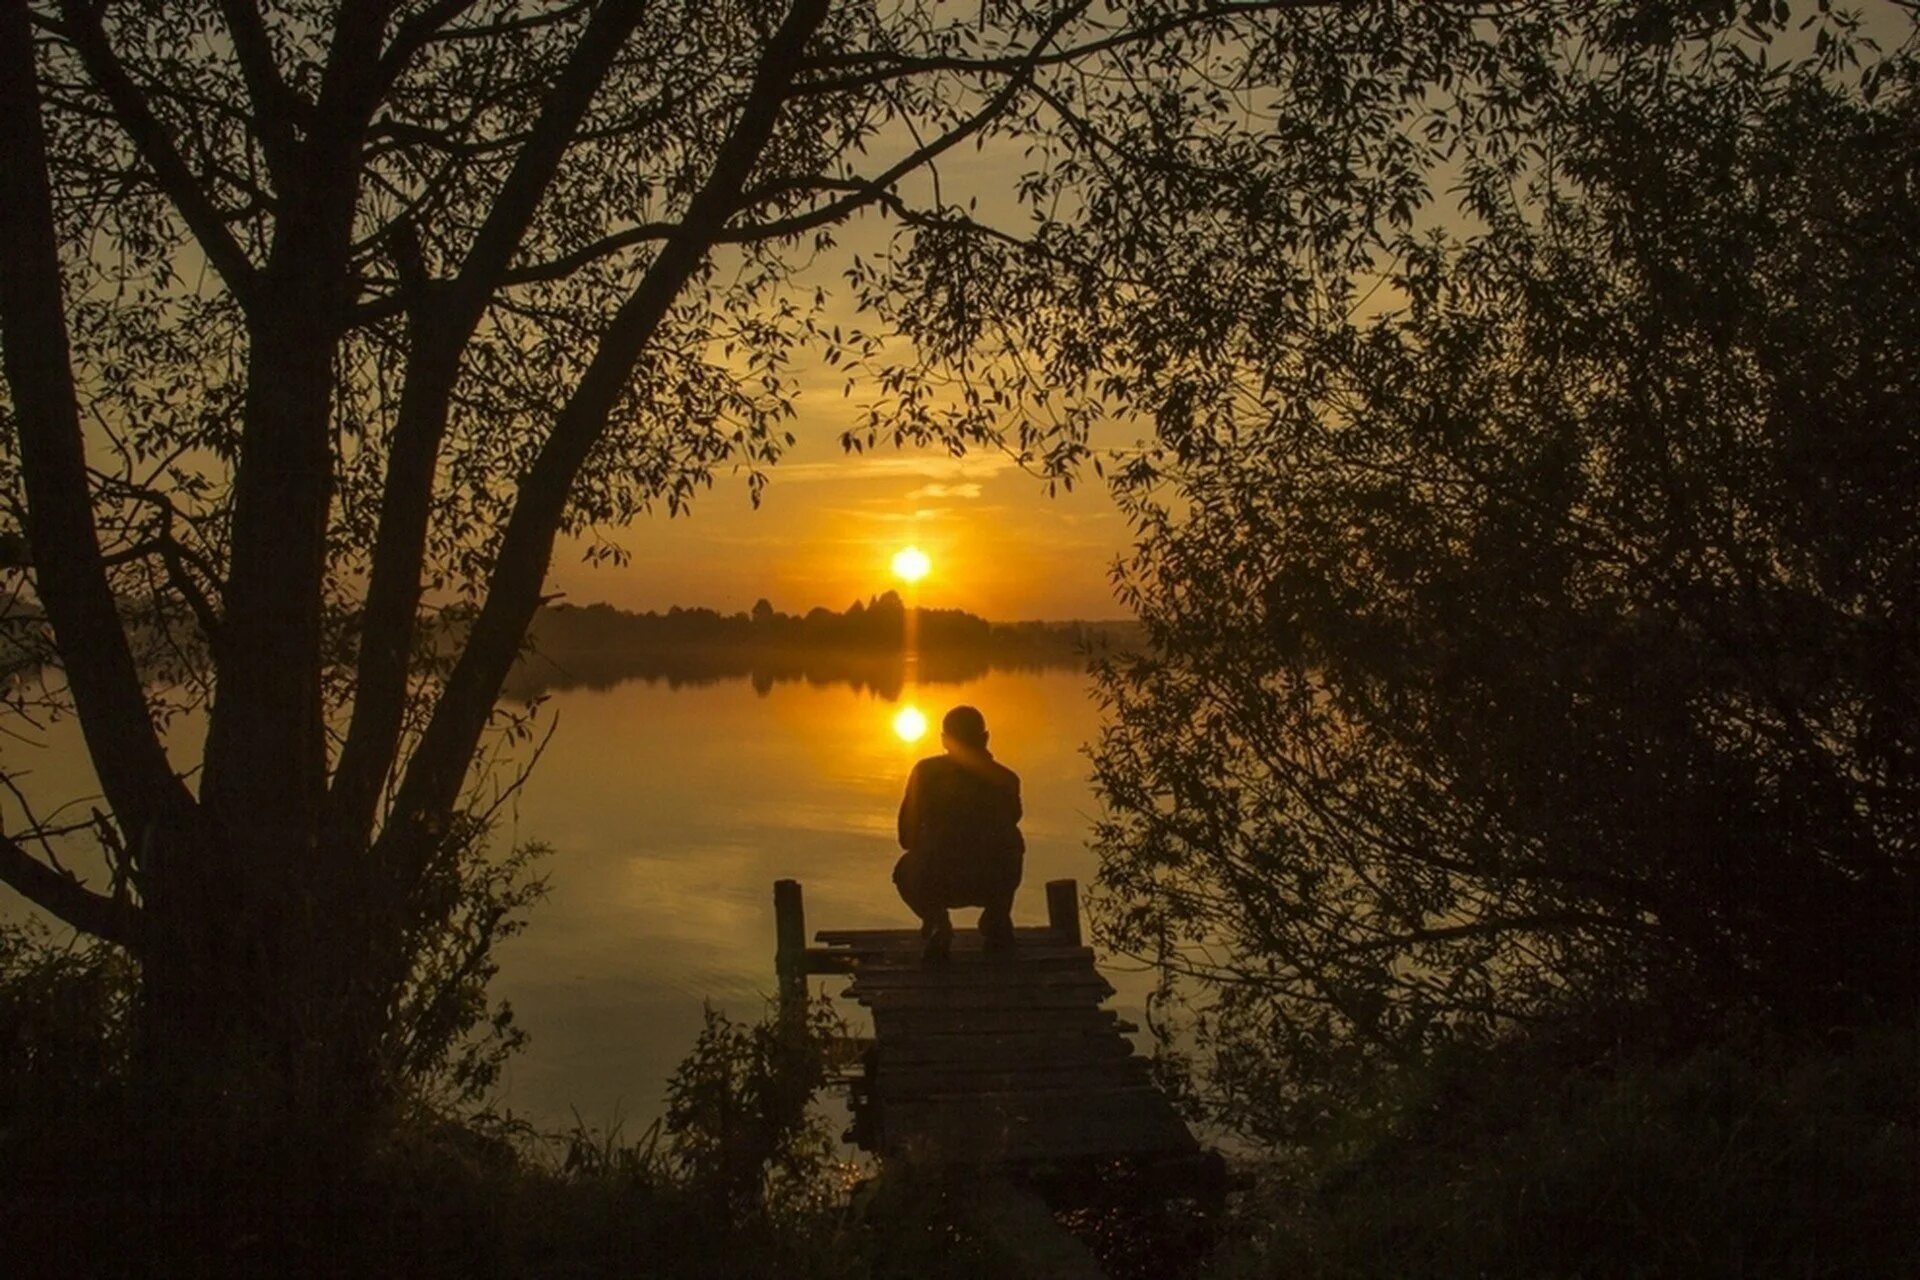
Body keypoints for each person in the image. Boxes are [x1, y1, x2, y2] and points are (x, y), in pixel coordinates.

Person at [893, 705, 1025, 963]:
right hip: (992, 882)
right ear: (985, 738)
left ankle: (937, 922)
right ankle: (997, 918)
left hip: (940, 881)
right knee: (1013, 843)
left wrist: (933, 838)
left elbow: (905, 838)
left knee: (904, 870)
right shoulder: (1007, 779)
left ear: (944, 740)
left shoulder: (925, 773)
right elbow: (1011, 824)